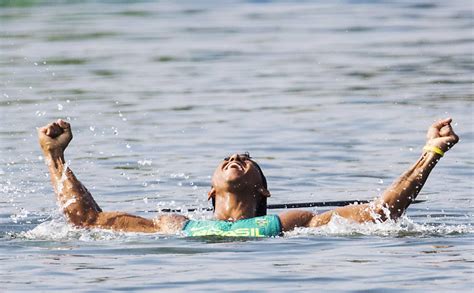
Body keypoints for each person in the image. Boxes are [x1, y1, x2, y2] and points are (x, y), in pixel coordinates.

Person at [37, 118, 459, 237]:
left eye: (247, 158)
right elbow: (88, 221)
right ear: (210, 189)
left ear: (263, 189)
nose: (236, 155)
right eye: (229, 156)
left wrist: (431, 153)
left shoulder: (291, 223)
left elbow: (381, 214)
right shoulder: (173, 225)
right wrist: (56, 158)